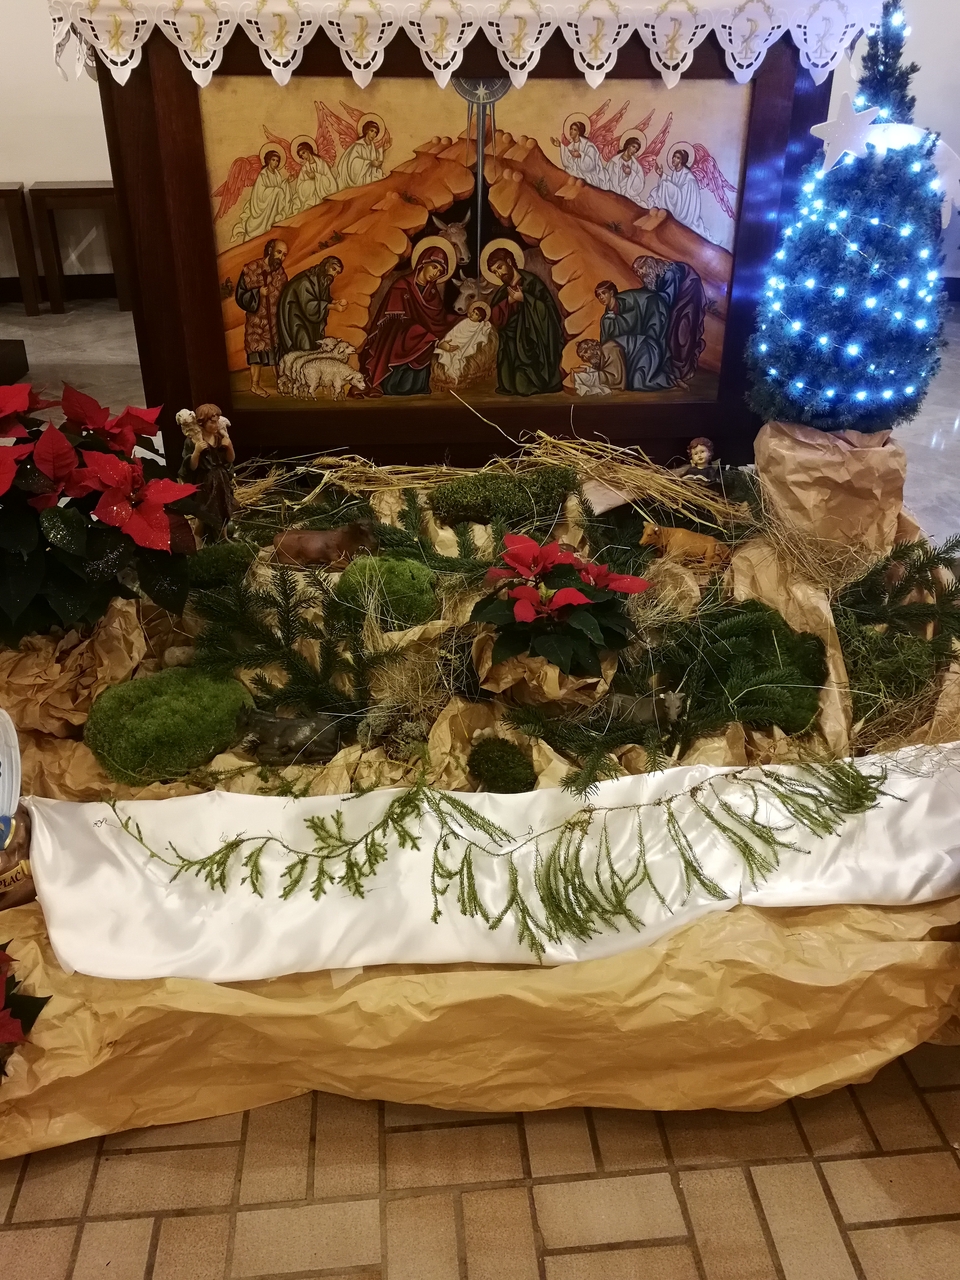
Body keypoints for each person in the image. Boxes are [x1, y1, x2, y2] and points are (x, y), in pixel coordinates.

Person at [360, 245, 456, 396]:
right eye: (434, 267)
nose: (436, 273)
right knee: (396, 386)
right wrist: (432, 340)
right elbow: (398, 321)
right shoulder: (401, 286)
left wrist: (463, 320)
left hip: (422, 342)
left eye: (440, 272)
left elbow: (439, 319)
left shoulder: (432, 293)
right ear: (423, 263)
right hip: (398, 338)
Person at [488, 246, 564, 397]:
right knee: (513, 384)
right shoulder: (503, 292)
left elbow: (549, 312)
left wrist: (525, 299)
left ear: (509, 261)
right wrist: (508, 303)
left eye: (500, 267)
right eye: (495, 272)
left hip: (534, 347)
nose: (499, 274)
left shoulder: (532, 283)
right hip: (512, 349)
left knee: (523, 385)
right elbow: (495, 318)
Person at [596, 266, 677, 393]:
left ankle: (665, 376)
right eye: (598, 295)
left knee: (641, 377)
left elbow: (632, 320)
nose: (601, 297)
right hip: (632, 343)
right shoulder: (607, 314)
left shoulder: (625, 302)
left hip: (653, 308)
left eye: (603, 293)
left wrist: (616, 319)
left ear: (611, 293)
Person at [235, 238, 289, 397]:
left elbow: (285, 295)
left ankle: (280, 383)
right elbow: (240, 296)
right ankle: (255, 385)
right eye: (279, 252)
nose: (281, 257)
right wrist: (257, 293)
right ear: (270, 250)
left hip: (274, 321)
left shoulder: (280, 273)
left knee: (276, 352)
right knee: (256, 352)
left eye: (284, 255)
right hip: (257, 322)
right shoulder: (251, 269)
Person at [177, 403, 236, 539]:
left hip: (221, 480)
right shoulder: (193, 441)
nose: (216, 426)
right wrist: (197, 452)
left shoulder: (220, 438)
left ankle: (223, 537)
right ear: (201, 423)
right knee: (204, 511)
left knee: (223, 509)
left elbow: (230, 459)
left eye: (217, 422)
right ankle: (198, 539)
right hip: (205, 482)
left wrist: (229, 446)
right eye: (212, 423)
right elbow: (192, 467)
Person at [277, 256, 347, 356]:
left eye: (337, 273)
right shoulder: (306, 281)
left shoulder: (322, 280)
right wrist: (332, 307)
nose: (334, 274)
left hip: (308, 321)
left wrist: (334, 302)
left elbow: (321, 297)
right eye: (333, 269)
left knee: (313, 349)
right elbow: (308, 306)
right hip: (296, 319)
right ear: (326, 265)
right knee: (305, 349)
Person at [647, 147, 709, 239]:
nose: (674, 159)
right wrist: (661, 174)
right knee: (656, 190)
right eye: (674, 157)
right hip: (678, 200)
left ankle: (663, 212)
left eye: (678, 158)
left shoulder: (688, 177)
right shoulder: (676, 172)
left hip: (684, 207)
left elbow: (685, 195)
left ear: (682, 161)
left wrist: (667, 185)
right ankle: (659, 211)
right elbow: (674, 184)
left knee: (665, 184)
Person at [433, 301, 497, 388]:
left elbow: (474, 337)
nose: (472, 314)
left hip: (464, 345)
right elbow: (454, 332)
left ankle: (454, 377)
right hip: (453, 341)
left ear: (480, 318)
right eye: (473, 312)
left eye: (476, 314)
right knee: (447, 354)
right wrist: (445, 341)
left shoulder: (479, 326)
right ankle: (449, 378)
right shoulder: (464, 322)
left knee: (457, 356)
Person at [232, 150, 290, 243]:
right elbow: (260, 193)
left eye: (277, 161)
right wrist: (275, 191)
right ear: (268, 160)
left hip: (273, 205)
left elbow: (280, 187)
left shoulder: (277, 174)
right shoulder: (263, 175)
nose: (275, 163)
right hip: (262, 205)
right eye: (273, 160)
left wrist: (286, 182)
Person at [550, 120, 605, 189]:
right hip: (575, 174)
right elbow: (567, 163)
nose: (571, 131)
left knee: (577, 182)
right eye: (571, 129)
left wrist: (581, 155)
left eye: (574, 130)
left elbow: (591, 165)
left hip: (588, 175)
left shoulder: (588, 146)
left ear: (579, 132)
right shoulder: (571, 146)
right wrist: (560, 146)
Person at [337, 120, 387, 190]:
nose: (373, 134)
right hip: (360, 179)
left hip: (370, 177)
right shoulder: (357, 146)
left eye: (375, 132)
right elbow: (352, 162)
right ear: (366, 131)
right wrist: (369, 163)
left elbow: (377, 164)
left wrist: (381, 151)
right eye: (372, 131)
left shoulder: (373, 147)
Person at [291, 140, 338, 212]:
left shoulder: (321, 163)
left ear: (308, 150)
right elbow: (299, 186)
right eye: (301, 155)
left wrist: (316, 176)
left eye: (303, 153)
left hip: (322, 194)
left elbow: (330, 180)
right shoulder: (304, 169)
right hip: (310, 197)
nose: (303, 156)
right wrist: (310, 183)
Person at [603, 137, 647, 204]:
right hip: (613, 191)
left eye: (636, 149)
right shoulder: (614, 161)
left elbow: (640, 182)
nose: (634, 150)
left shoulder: (636, 166)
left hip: (627, 194)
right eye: (633, 147)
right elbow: (606, 177)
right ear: (628, 145)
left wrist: (631, 173)